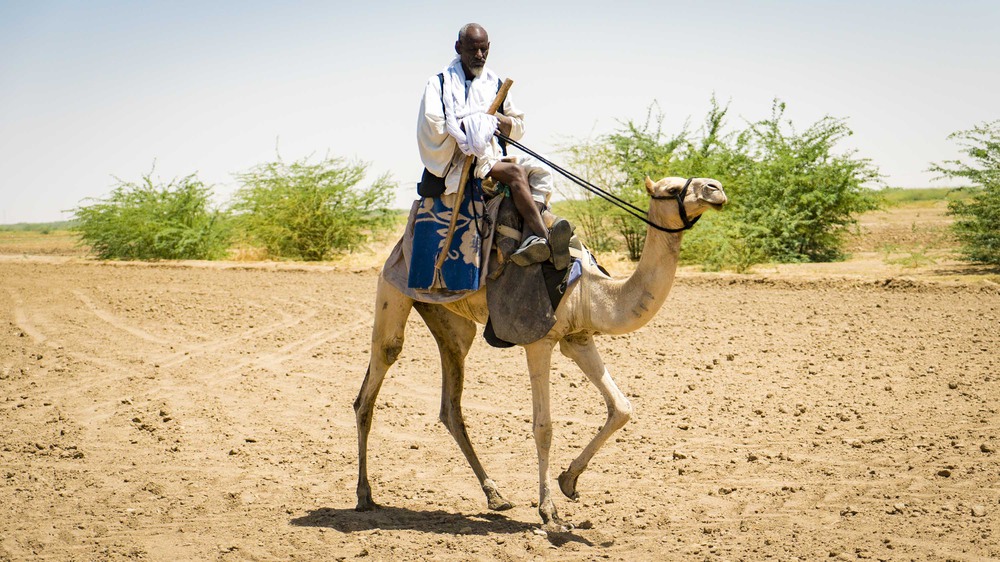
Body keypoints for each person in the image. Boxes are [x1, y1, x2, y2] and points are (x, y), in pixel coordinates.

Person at [416, 22, 571, 269]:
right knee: (516, 173)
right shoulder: (439, 84)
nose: (479, 56)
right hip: (458, 160)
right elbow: (434, 125)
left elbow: (518, 124)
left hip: (491, 155)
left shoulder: (495, 84)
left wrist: (497, 121)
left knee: (541, 171)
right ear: (458, 47)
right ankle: (545, 239)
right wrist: (474, 124)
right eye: (473, 50)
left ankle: (531, 234)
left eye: (484, 50)